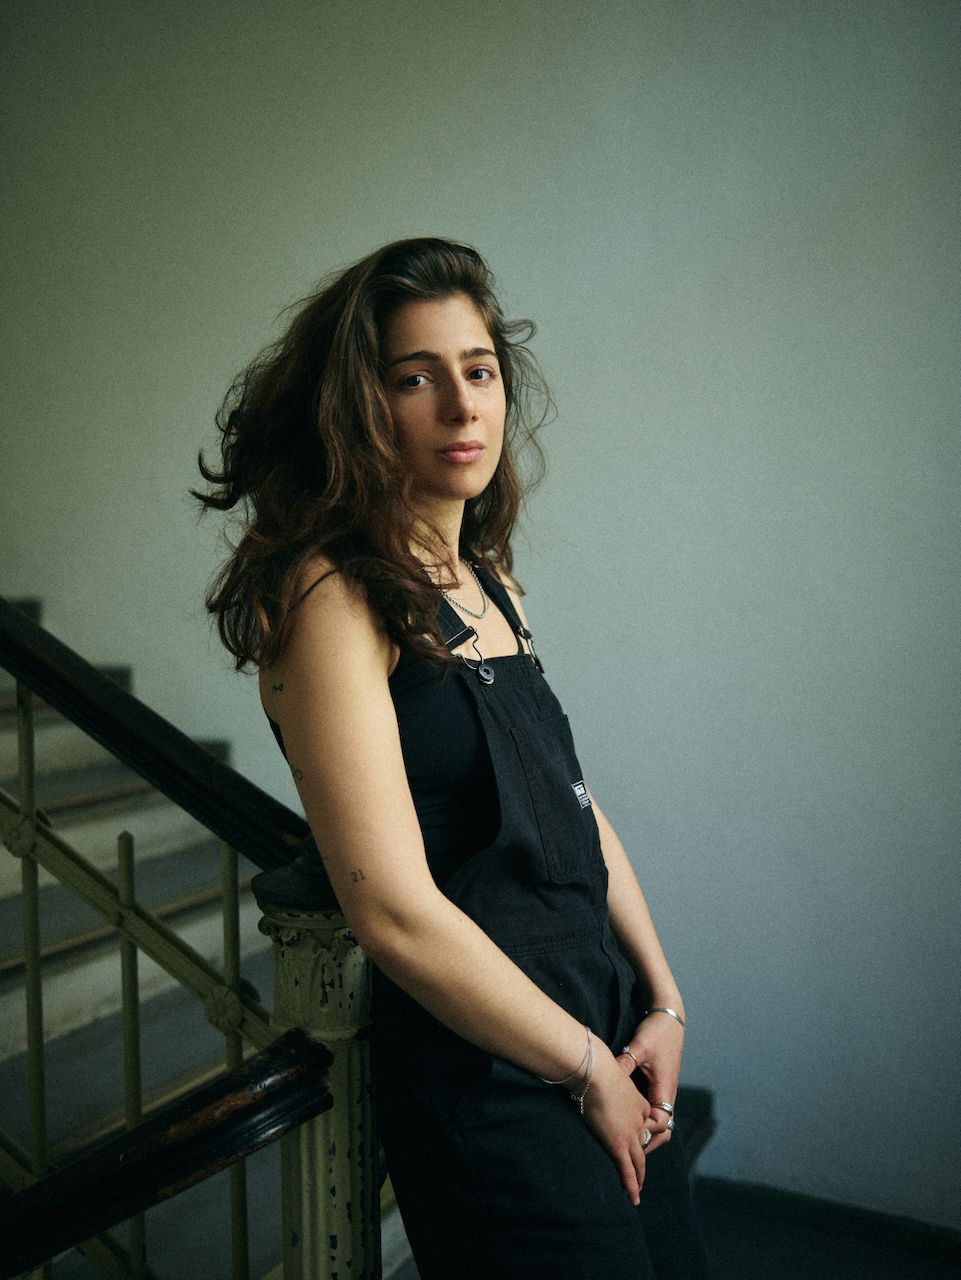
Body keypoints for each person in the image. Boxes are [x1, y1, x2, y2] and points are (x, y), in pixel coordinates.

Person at [196, 237, 707, 1279]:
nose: (462, 406)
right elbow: (390, 911)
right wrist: (581, 1068)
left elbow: (568, 804)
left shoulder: (487, 580)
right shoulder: (331, 595)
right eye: (414, 378)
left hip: (598, 1016)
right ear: (357, 407)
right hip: (490, 1069)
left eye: (478, 371)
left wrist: (661, 1000)